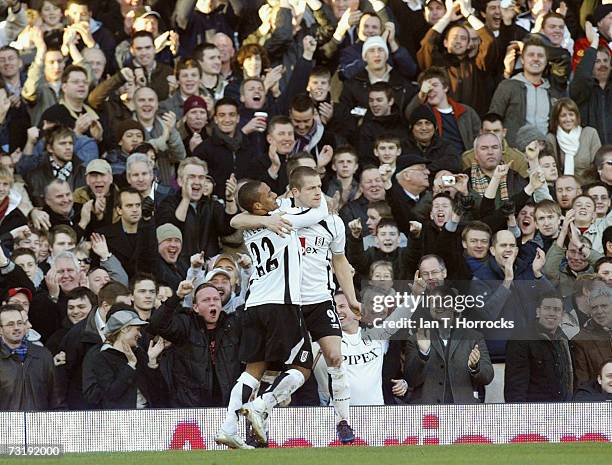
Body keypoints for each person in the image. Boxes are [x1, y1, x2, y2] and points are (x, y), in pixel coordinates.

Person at [231, 166, 361, 443]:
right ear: (295, 192)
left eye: (320, 187)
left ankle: (343, 421)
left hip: (320, 299)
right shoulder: (281, 211)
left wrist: (350, 298)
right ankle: (257, 419)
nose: (318, 192)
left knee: (335, 357)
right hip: (289, 302)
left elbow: (339, 260)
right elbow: (238, 219)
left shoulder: (333, 222)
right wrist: (265, 222)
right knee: (281, 368)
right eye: (312, 188)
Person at [215, 177, 329, 449]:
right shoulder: (283, 216)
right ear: (257, 205)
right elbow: (320, 212)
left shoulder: (253, 224)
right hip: (281, 305)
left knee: (252, 371)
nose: (274, 194)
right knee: (303, 366)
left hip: (254, 306)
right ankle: (261, 405)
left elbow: (235, 221)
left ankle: (228, 427)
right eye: (268, 194)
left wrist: (266, 218)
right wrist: (316, 188)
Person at [405, 285, 494, 404]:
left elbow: (487, 377)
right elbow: (410, 379)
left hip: (463, 412)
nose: (438, 305)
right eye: (433, 302)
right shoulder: (417, 338)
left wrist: (475, 367)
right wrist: (423, 354)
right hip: (428, 413)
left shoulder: (474, 338)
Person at [82, 307, 165, 409]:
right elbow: (112, 393)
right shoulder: (101, 357)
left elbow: (159, 391)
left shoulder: (139, 352)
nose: (140, 334)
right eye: (137, 329)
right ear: (124, 329)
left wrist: (151, 363)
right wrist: (130, 365)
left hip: (147, 415)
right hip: (120, 419)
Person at [504, 290, 573, 402]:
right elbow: (515, 389)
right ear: (538, 312)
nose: (551, 313)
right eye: (547, 308)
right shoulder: (521, 340)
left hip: (563, 412)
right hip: (534, 414)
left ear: (562, 315)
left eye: (556, 309)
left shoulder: (564, 339)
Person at [490, 35, 555, 146]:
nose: (535, 59)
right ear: (522, 60)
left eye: (540, 56)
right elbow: (493, 120)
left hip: (544, 153)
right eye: (530, 55)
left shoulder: (552, 90)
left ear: (546, 61)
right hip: (515, 153)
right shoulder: (508, 86)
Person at [0, 304, 60, 410]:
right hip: (6, 425)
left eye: (20, 323)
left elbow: (56, 398)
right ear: (0, 330)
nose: (16, 328)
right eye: (10, 324)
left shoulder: (43, 355)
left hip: (40, 424)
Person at [570, 22, 612, 145]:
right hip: (592, 153)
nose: (602, 64)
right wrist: (593, 44)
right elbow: (582, 76)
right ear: (589, 65)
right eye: (597, 61)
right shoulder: (583, 89)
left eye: (605, 60)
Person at [546, 98, 601, 185]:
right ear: (557, 119)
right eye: (563, 115)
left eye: (571, 114)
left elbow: (598, 165)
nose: (568, 119)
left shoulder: (590, 133)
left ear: (577, 116)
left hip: (587, 187)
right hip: (563, 189)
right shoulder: (551, 138)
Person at [571, 285, 612, 390]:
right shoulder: (580, 341)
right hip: (600, 402)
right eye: (594, 307)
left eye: (604, 306)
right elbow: (582, 385)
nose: (599, 311)